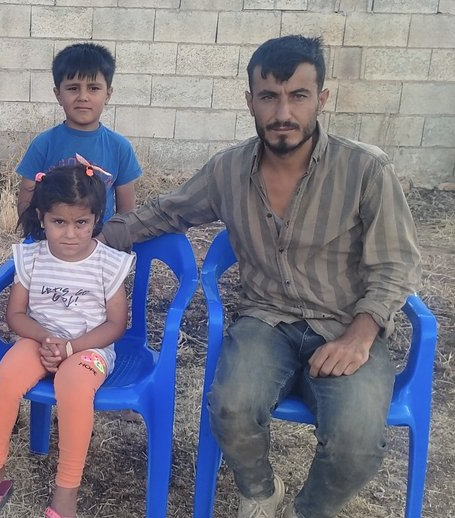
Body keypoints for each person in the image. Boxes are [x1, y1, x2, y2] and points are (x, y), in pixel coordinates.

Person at [101, 35, 421, 518]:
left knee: (356, 443)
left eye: (298, 96)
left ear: (321, 99)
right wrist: (86, 235)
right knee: (229, 407)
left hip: (344, 324)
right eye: (269, 97)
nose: (283, 113)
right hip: (265, 321)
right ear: (250, 101)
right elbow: (167, 213)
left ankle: (305, 511)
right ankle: (260, 492)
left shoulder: (365, 170)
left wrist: (360, 336)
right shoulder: (228, 170)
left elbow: (396, 263)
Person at [0, 165, 136, 518]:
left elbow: (116, 324)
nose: (70, 233)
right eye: (58, 222)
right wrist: (47, 339)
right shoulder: (32, 257)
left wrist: (71, 348)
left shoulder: (108, 264)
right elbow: (15, 315)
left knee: (74, 386)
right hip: (39, 340)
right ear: (41, 217)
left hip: (89, 348)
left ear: (96, 219)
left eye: (81, 223)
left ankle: (66, 492)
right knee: (6, 376)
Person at [16, 42, 142, 222]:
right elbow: (25, 204)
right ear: (58, 95)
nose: (83, 97)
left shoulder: (120, 148)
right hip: (51, 237)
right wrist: (40, 234)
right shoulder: (43, 144)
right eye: (73, 88)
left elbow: (127, 213)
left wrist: (107, 237)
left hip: (101, 238)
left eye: (93, 88)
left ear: (108, 95)